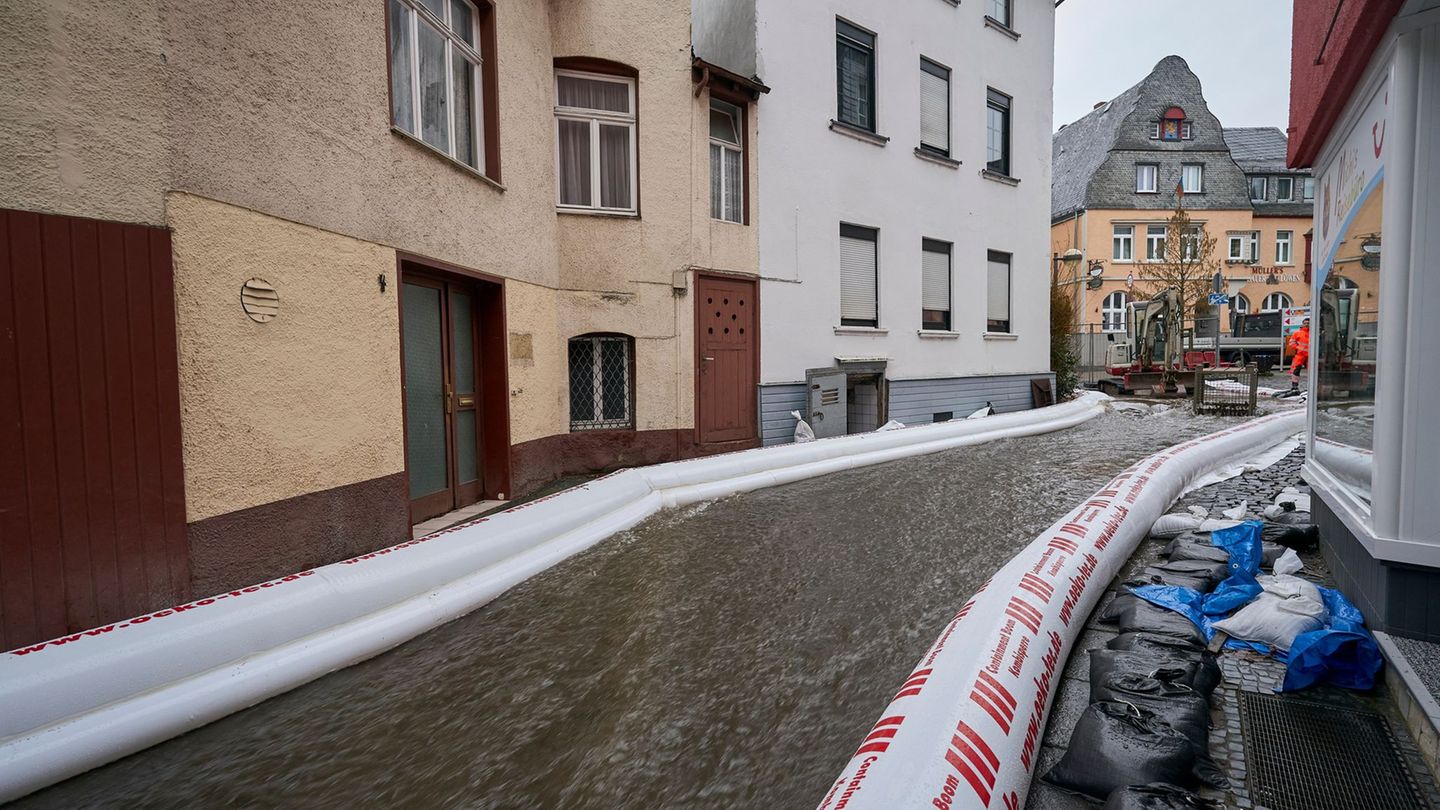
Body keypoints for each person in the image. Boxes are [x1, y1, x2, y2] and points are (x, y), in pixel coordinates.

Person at [1288, 317, 1311, 390]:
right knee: (1296, 370)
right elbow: (1291, 342)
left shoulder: (1313, 333)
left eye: (1308, 323)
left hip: (1310, 356)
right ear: (1302, 324)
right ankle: (1294, 385)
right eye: (1305, 323)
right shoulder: (1297, 333)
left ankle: (1310, 386)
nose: (1306, 325)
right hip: (1300, 355)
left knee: (1311, 371)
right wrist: (1297, 348)